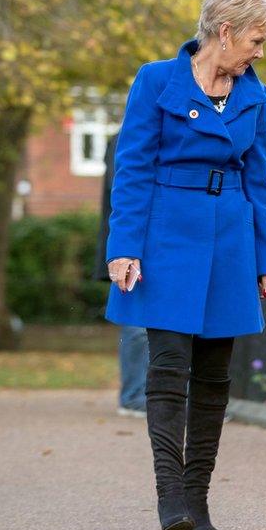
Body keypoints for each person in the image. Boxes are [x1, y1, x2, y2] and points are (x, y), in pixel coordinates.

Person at [103, 0, 266, 530]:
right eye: (256, 41)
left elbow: (259, 182)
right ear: (225, 32)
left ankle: (198, 500)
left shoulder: (255, 95)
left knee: (213, 377)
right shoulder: (157, 81)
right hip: (166, 238)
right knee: (166, 369)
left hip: (230, 239)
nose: (259, 53)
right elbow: (131, 167)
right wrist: (122, 245)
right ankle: (171, 495)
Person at [94, 134, 149, 419]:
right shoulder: (126, 138)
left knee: (144, 325)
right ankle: (133, 396)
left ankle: (143, 395)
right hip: (131, 248)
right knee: (136, 324)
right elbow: (124, 189)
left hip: (144, 244)